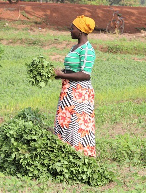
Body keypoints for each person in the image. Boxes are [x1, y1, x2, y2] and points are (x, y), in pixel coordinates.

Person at [54, 15, 96, 157]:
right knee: (65, 122)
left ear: (81, 31)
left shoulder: (87, 50)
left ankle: (80, 156)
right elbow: (72, 69)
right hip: (68, 89)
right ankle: (65, 154)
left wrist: (62, 75)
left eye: (73, 28)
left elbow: (85, 74)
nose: (70, 30)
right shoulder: (74, 47)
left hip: (80, 92)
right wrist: (60, 73)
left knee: (77, 125)